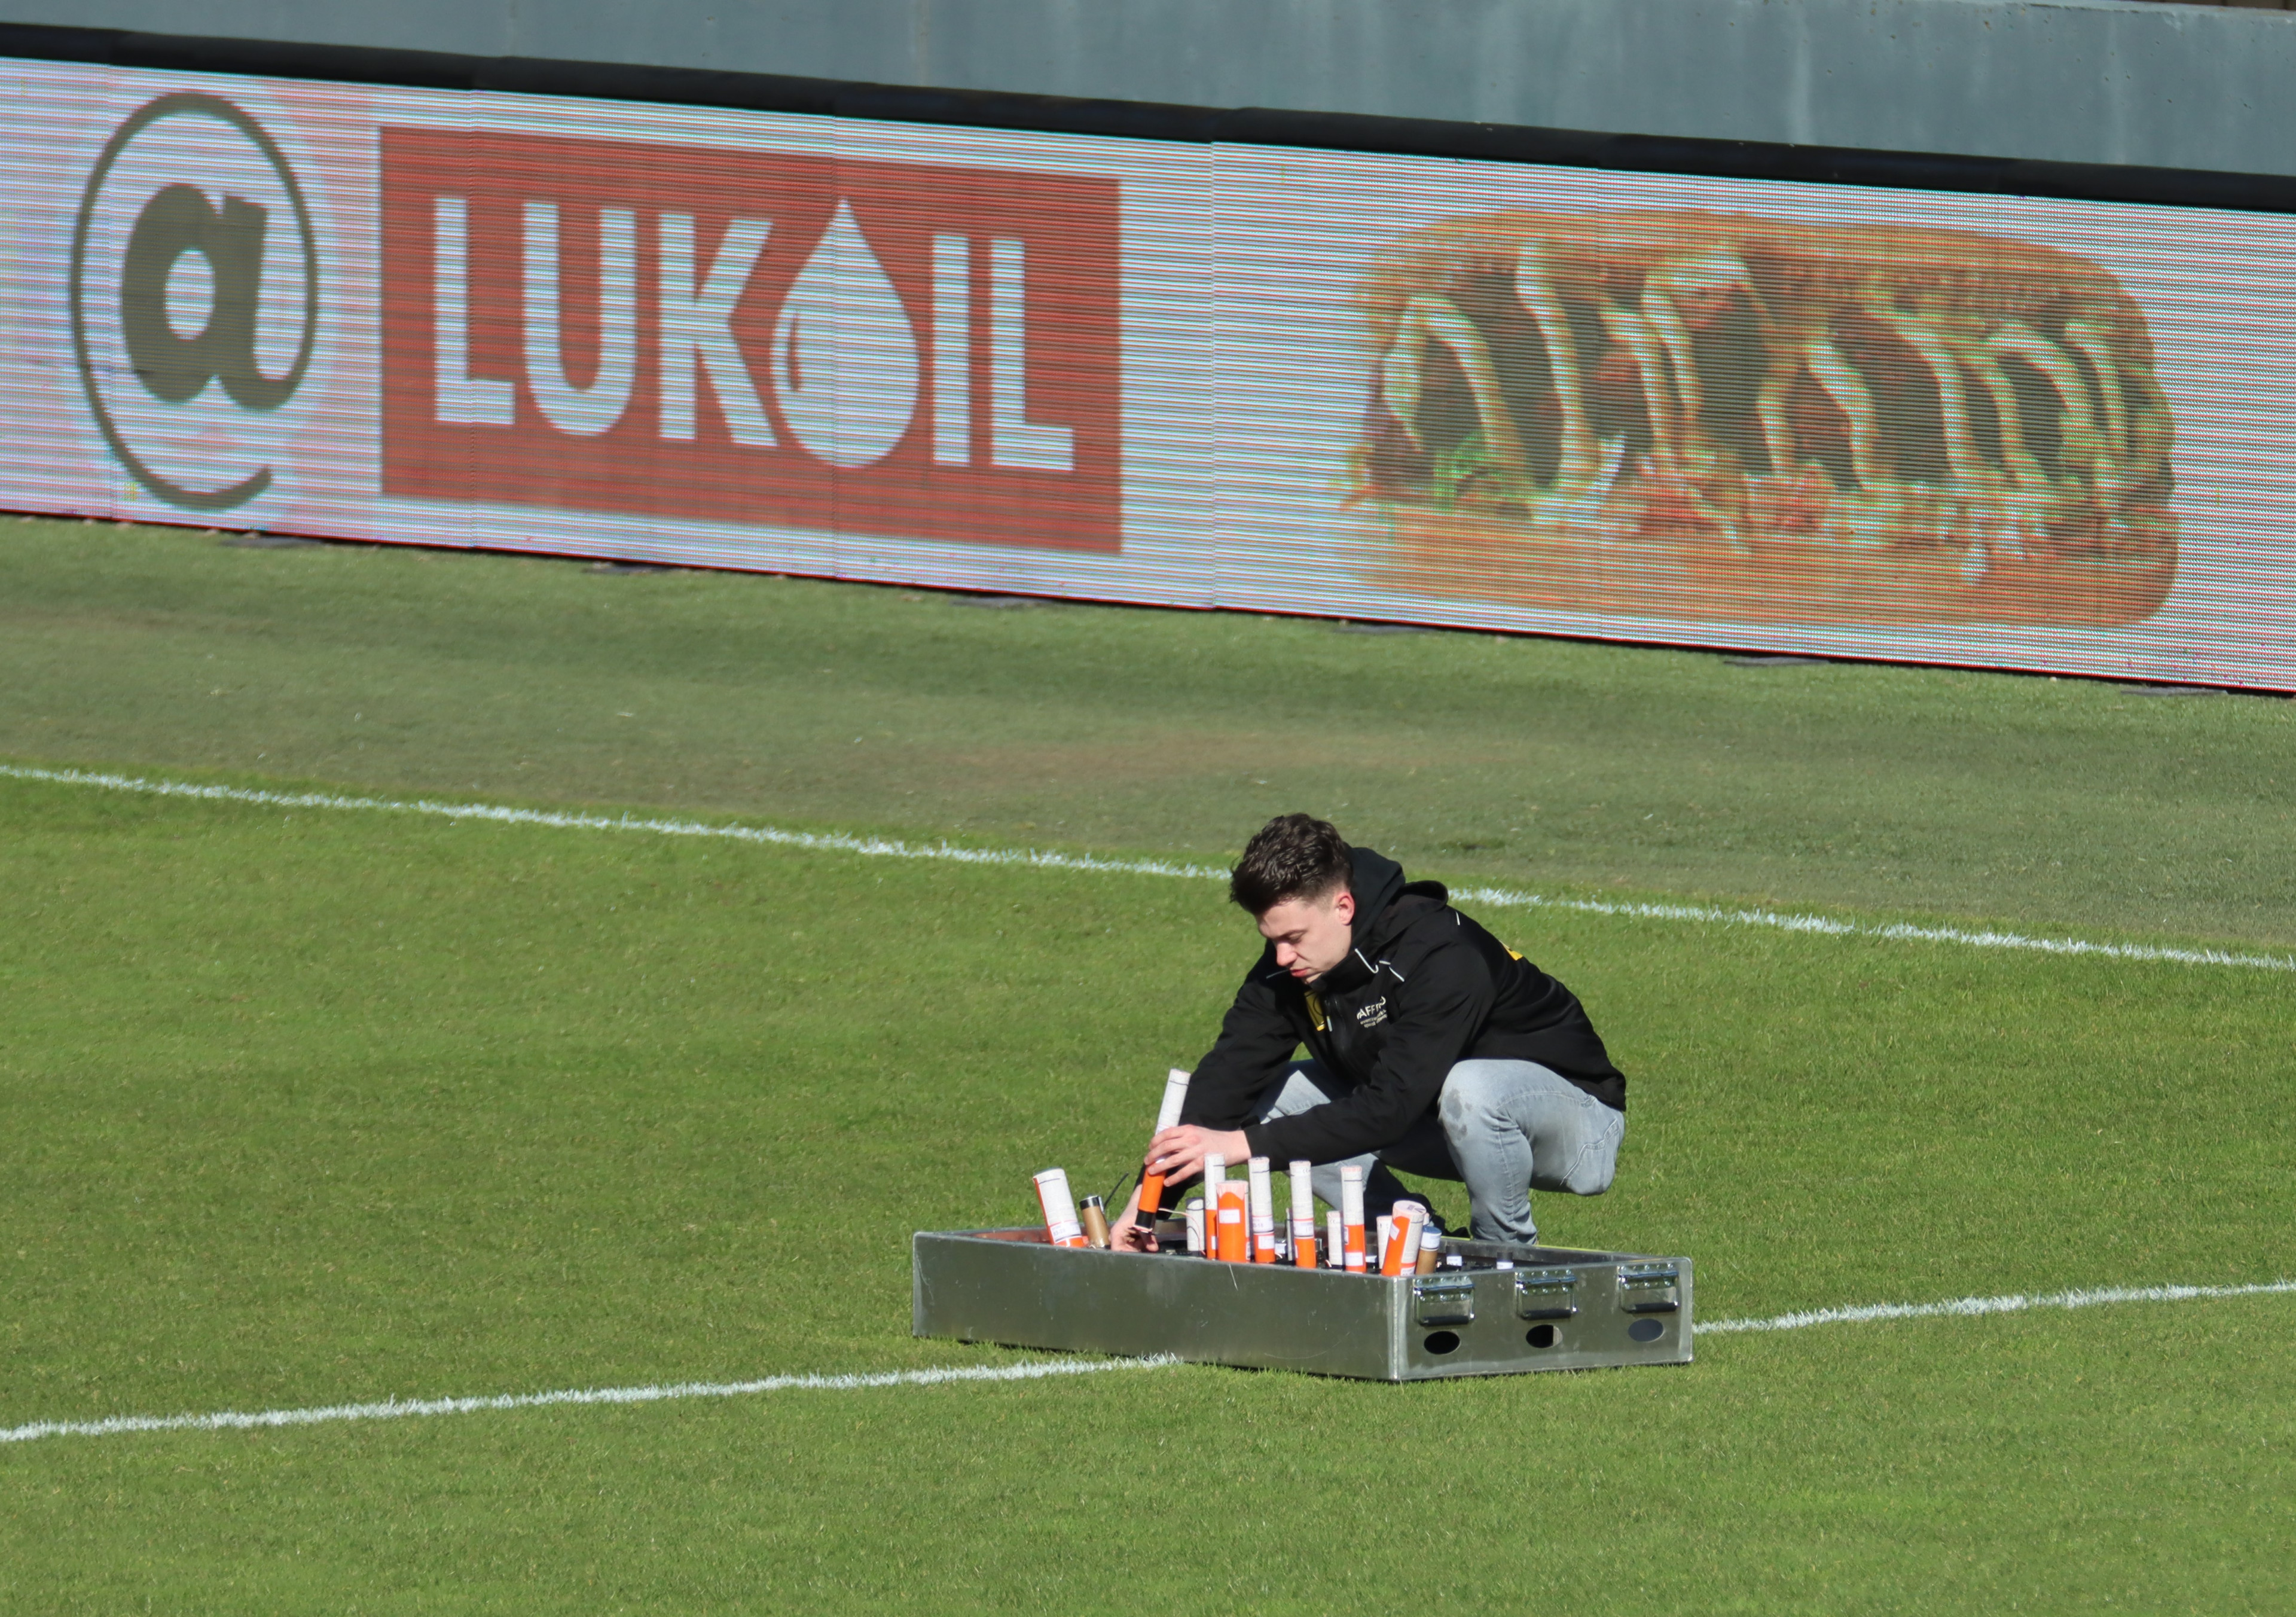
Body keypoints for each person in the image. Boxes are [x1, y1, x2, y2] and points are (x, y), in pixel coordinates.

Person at [1113, 813, 1624, 1249]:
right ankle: (1408, 1235)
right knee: (1272, 1094)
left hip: (1575, 1132)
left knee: (1470, 1088)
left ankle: (1503, 1256)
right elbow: (1229, 1076)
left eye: (1294, 937)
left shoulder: (1442, 954)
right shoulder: (1290, 964)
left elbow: (1390, 1108)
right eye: (1271, 940)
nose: (1282, 956)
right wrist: (1146, 1206)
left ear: (1343, 907)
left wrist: (1240, 1147)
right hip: (1436, 1121)